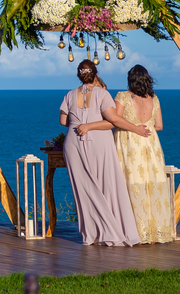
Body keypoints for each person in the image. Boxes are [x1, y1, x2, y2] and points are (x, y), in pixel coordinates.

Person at [59, 59, 150, 246]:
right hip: (99, 142)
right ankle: (111, 231)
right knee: (107, 184)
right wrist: (136, 129)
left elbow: (62, 121)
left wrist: (80, 124)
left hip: (73, 142)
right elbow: (113, 119)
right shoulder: (102, 94)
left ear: (79, 75)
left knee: (82, 190)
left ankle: (90, 234)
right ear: (96, 74)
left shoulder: (69, 95)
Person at [111, 65, 174, 244]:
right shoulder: (154, 99)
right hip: (151, 144)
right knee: (151, 184)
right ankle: (155, 232)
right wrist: (146, 130)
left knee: (130, 184)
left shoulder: (122, 96)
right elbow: (159, 125)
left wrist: (133, 130)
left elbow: (115, 120)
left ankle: (134, 231)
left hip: (129, 144)